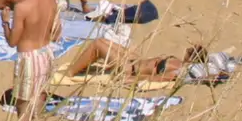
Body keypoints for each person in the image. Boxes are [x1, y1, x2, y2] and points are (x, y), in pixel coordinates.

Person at [1, 0, 62, 121]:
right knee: (39, 105)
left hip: (28, 59)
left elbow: (12, 41)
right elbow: (57, 33)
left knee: (23, 107)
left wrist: (5, 23)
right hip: (45, 55)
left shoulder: (22, 7)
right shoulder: (51, 3)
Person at [58, 38, 208, 82]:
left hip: (130, 69)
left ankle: (70, 72)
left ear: (194, 57)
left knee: (97, 45)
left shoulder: (178, 70)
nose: (188, 48)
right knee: (103, 41)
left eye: (192, 49)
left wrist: (130, 79)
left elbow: (156, 78)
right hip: (134, 61)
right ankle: (81, 65)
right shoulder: (178, 62)